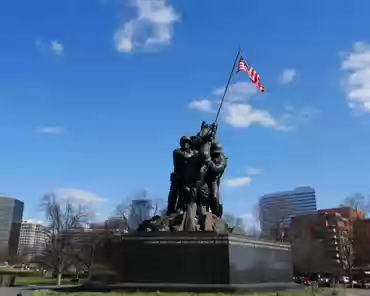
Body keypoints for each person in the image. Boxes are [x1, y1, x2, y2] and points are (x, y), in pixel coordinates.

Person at [166, 136, 196, 215]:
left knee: (185, 193)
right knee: (173, 193)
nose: (185, 144)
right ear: (181, 144)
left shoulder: (192, 152)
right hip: (177, 176)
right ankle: (170, 210)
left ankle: (182, 208)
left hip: (186, 178)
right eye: (184, 142)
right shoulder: (177, 152)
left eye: (187, 142)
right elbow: (187, 156)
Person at [206, 141, 227, 217]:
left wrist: (210, 163)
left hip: (214, 179)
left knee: (214, 197)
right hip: (204, 180)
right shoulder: (207, 154)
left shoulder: (222, 158)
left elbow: (218, 169)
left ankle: (217, 215)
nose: (215, 155)